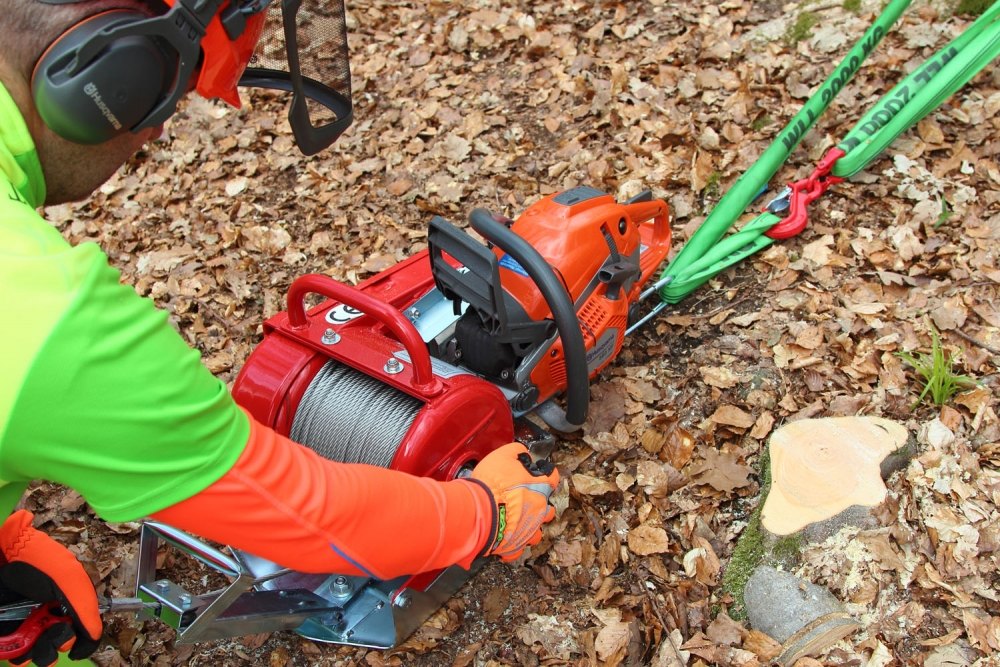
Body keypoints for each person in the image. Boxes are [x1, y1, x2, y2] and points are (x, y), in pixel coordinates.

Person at [0, 1, 561, 665]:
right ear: (106, 76)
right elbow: (309, 512)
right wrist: (486, 513)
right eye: (161, 96)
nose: (155, 132)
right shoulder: (50, 321)